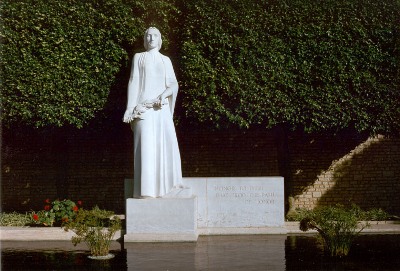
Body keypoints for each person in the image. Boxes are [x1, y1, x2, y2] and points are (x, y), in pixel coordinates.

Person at [123, 27, 183, 198]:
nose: (151, 38)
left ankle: (167, 187)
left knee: (166, 144)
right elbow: (133, 82)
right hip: (143, 108)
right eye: (148, 35)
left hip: (161, 109)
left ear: (160, 39)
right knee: (145, 147)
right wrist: (130, 107)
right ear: (145, 39)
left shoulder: (166, 60)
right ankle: (146, 192)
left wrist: (164, 94)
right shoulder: (139, 57)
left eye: (155, 35)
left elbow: (173, 84)